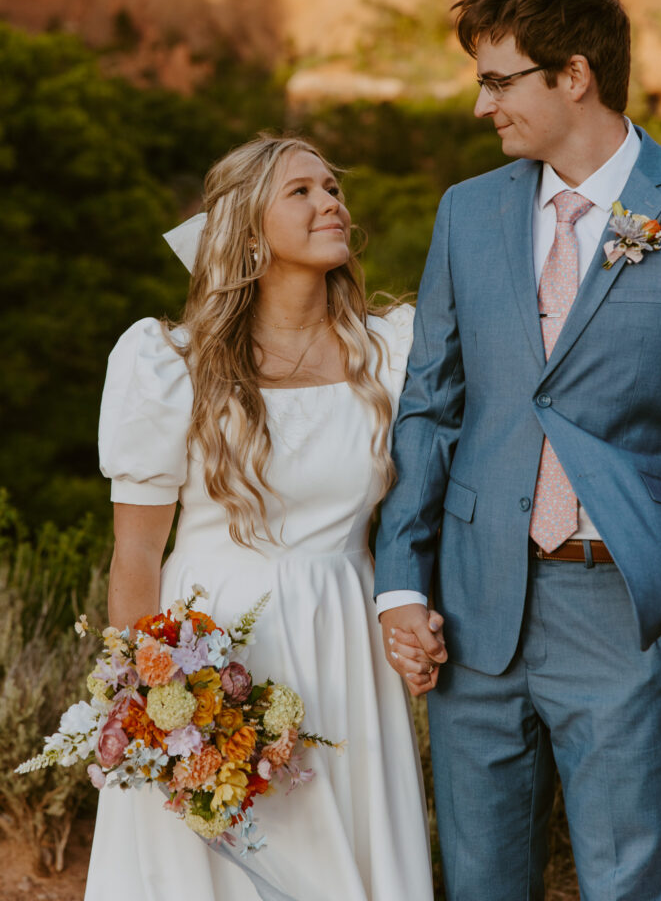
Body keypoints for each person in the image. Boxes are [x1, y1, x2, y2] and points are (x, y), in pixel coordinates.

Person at [374, 0, 661, 901]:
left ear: (574, 74)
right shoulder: (467, 212)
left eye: (499, 80)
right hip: (475, 610)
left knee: (636, 882)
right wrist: (400, 582)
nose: (481, 106)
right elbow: (430, 406)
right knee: (479, 881)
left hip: (626, 609)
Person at [85, 134, 433, 901]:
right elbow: (137, 553)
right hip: (210, 648)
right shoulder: (170, 363)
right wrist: (154, 704)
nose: (330, 201)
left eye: (332, 187)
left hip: (346, 635)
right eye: (300, 192)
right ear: (247, 230)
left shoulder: (392, 353)